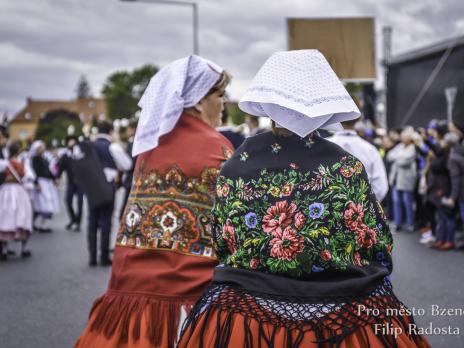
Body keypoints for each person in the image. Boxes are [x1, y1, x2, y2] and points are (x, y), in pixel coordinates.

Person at [178, 50, 429, 348]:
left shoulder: (235, 164)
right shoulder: (345, 165)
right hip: (342, 309)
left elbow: (221, 240)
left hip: (246, 313)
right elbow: (377, 242)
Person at [75, 55, 234, 348]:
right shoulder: (217, 147)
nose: (224, 103)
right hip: (191, 302)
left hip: (130, 299)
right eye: (220, 95)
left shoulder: (151, 144)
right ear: (199, 101)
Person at [87, 120, 132, 266]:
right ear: (110, 131)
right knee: (106, 221)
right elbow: (127, 164)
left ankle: (92, 257)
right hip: (107, 186)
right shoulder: (112, 147)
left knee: (92, 221)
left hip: (92, 186)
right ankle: (103, 256)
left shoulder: (89, 146)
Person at [328, 116, 389, 202]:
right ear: (359, 118)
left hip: (329, 208)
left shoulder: (322, 147)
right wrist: (366, 204)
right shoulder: (370, 150)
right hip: (363, 208)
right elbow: (381, 187)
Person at [0, 141, 33, 259]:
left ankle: (4, 250)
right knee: (23, 216)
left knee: (5, 217)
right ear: (18, 151)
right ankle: (23, 249)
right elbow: (29, 177)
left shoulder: (5, 164)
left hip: (6, 191)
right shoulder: (23, 163)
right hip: (19, 191)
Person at [386, 128, 417, 232]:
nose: (402, 139)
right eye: (402, 137)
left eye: (405, 137)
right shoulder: (400, 146)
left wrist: (397, 156)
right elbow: (389, 156)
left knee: (407, 202)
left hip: (406, 180)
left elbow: (404, 162)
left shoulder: (413, 148)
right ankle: (397, 223)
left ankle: (410, 223)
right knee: (396, 202)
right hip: (395, 179)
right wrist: (399, 156)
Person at [30, 140, 60, 233]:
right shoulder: (35, 159)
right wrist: (36, 183)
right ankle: (41, 224)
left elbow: (48, 170)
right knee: (44, 203)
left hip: (47, 182)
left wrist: (54, 179)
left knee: (48, 201)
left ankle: (40, 223)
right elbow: (34, 172)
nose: (43, 148)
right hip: (41, 182)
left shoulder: (44, 158)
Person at [57, 135, 84, 231]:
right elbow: (60, 167)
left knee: (80, 202)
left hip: (81, 182)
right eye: (69, 141)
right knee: (68, 201)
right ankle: (73, 219)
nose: (71, 143)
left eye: (73, 141)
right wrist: (57, 177)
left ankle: (78, 223)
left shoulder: (80, 154)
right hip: (71, 182)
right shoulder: (65, 155)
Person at [119, 119, 138, 220]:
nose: (127, 131)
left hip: (130, 180)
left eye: (128, 129)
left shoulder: (132, 143)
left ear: (133, 129)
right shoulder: (139, 142)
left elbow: (129, 163)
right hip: (134, 180)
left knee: (124, 211)